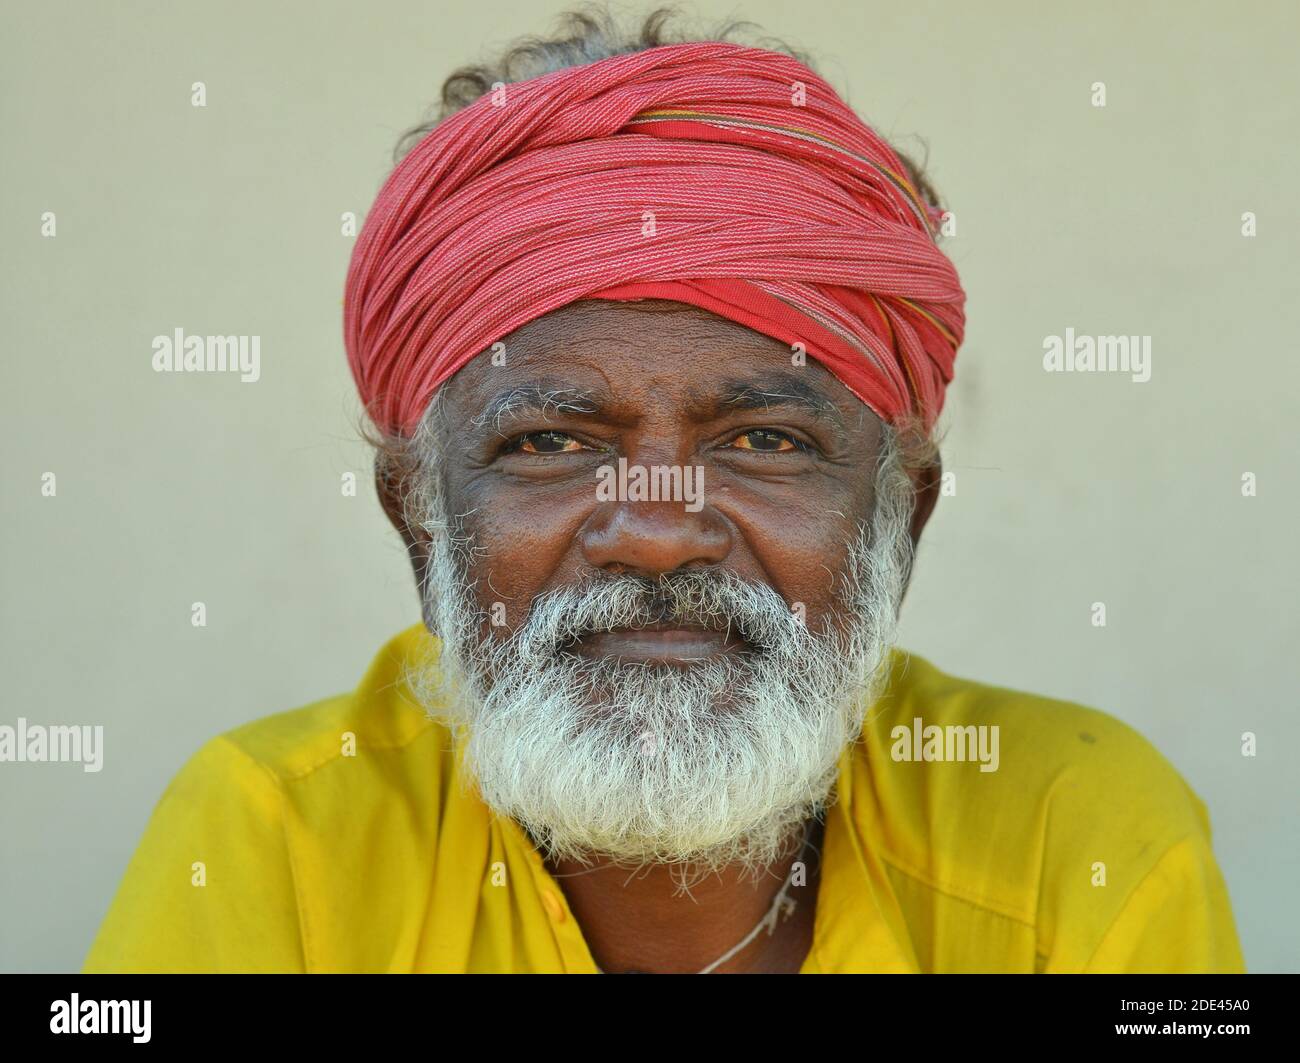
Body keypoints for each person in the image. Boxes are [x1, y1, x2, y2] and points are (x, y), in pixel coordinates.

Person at [85, 8, 1243, 974]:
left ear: (904, 517)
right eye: (546, 442)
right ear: (416, 519)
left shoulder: (1074, 833)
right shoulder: (273, 835)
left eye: (765, 441)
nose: (652, 533)